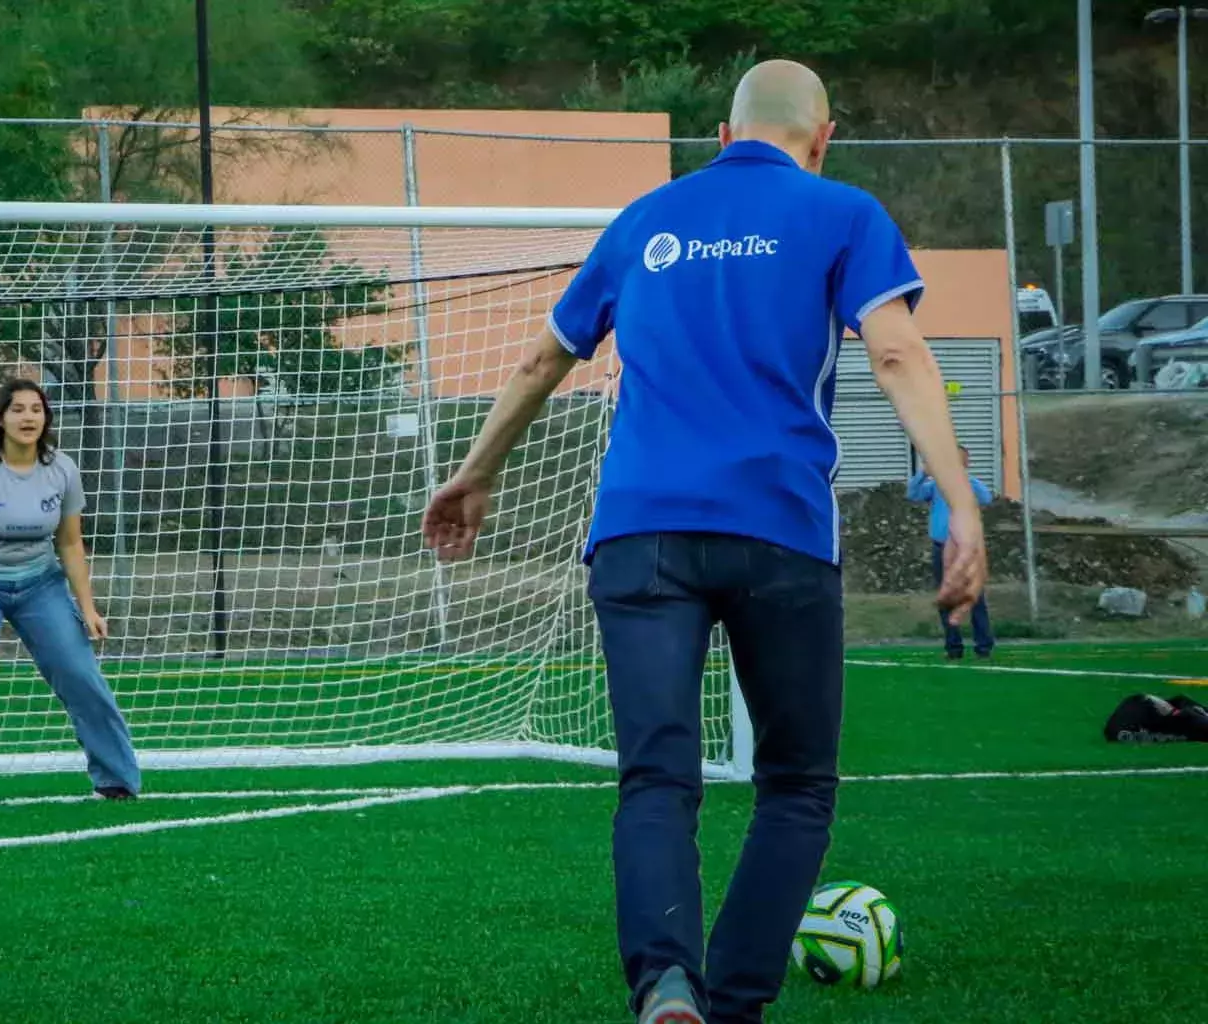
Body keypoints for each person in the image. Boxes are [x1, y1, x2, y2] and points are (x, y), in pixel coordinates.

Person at [421, 60, 987, 1024]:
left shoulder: (645, 219)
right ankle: (731, 1006)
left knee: (656, 777)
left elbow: (540, 357)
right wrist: (962, 501)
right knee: (797, 783)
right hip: (779, 534)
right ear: (824, 137)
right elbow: (894, 350)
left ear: (721, 137)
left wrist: (475, 473)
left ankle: (666, 984)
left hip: (640, 537)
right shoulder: (843, 213)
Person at [0, 379, 142, 808]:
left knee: (81, 674)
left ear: (46, 417)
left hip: (40, 585)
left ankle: (117, 779)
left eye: (37, 409)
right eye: (17, 409)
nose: (28, 417)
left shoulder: (62, 470)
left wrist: (88, 608)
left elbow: (70, 544)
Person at [908, 445, 996, 659]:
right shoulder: (937, 486)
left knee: (974, 598)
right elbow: (913, 494)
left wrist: (964, 482)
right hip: (941, 547)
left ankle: (983, 646)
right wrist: (923, 473)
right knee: (946, 597)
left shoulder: (971, 485)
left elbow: (986, 498)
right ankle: (953, 647)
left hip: (965, 548)